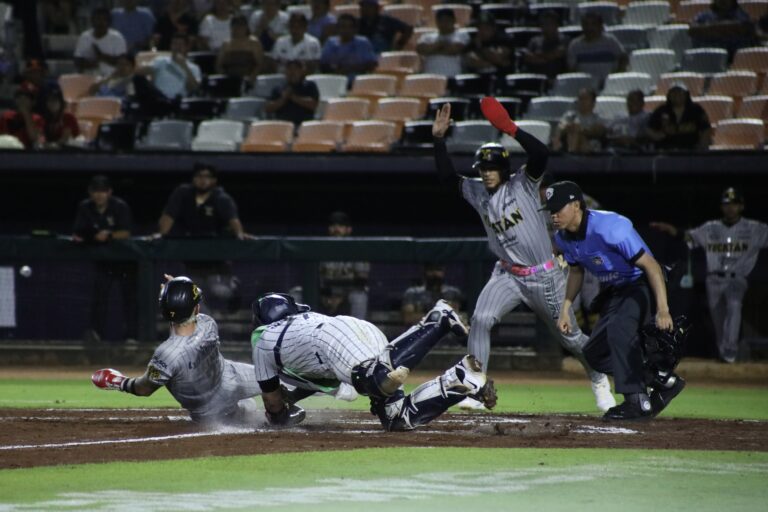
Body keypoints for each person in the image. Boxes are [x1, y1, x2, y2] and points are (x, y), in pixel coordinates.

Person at [432, 102, 616, 413]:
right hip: (507, 274)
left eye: (492, 168)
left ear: (503, 169)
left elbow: (541, 154)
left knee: (570, 338)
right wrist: (438, 140)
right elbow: (448, 180)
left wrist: (511, 129)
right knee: (481, 319)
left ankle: (598, 376)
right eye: (483, 169)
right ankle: (476, 387)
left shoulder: (523, 184)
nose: (486, 174)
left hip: (544, 275)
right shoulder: (478, 192)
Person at [544, 180, 685, 420]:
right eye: (550, 210)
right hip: (617, 290)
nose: (553, 215)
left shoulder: (610, 226)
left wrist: (663, 309)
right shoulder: (563, 238)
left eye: (558, 208)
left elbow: (651, 266)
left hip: (643, 283)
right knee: (594, 353)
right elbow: (576, 272)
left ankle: (636, 401)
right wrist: (566, 308)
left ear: (576, 205)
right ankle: (663, 381)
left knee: (620, 330)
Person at [250, 293, 496, 430]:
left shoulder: (262, 339)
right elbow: (323, 379)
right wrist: (293, 397)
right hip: (355, 330)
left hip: (334, 339)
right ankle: (459, 379)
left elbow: (272, 403)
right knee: (396, 418)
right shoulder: (302, 322)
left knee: (374, 379)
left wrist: (279, 417)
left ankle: (437, 320)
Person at [92, 276, 266, 425]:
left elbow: (144, 388)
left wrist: (118, 381)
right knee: (273, 382)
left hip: (210, 408)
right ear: (196, 308)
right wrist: (177, 291)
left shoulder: (166, 354)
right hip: (231, 379)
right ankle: (273, 412)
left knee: (246, 416)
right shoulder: (208, 323)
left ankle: (252, 412)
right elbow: (187, 313)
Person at [650, 187, 768, 363]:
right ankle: (725, 357)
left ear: (741, 206)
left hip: (737, 278)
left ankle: (730, 351)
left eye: (734, 204)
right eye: (726, 204)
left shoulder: (755, 228)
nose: (730, 207)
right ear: (721, 207)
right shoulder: (710, 228)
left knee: (734, 306)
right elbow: (687, 237)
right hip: (713, 280)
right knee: (718, 320)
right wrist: (670, 229)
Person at [72, 175, 135, 343]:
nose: (99, 195)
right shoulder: (85, 207)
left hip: (125, 261)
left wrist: (109, 235)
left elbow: (126, 232)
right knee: (100, 298)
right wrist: (93, 236)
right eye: (96, 191)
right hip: (103, 261)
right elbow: (78, 232)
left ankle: (132, 335)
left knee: (129, 299)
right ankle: (96, 334)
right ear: (90, 192)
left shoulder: (119, 206)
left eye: (103, 191)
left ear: (109, 192)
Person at [158, 162, 244, 238]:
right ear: (193, 179)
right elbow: (169, 215)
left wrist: (240, 234)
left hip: (212, 242)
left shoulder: (222, 198)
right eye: (199, 176)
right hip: (184, 241)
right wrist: (161, 235)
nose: (203, 180)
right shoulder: (181, 193)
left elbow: (233, 220)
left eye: (207, 177)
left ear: (214, 180)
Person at [316, 211, 370, 319]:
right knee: (297, 293)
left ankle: (357, 328)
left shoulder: (358, 250)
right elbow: (314, 279)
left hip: (348, 293)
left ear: (348, 230)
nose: (336, 229)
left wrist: (340, 296)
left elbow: (361, 281)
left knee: (359, 297)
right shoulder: (321, 248)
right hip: (326, 293)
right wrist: (325, 295)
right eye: (333, 225)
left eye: (340, 226)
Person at [133, 33, 201, 116]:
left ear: (187, 47)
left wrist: (184, 66)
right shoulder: (161, 61)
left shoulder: (193, 68)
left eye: (180, 44)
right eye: (174, 44)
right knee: (138, 79)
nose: (177, 47)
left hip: (177, 101)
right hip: (158, 99)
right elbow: (141, 71)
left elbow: (194, 89)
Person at [647, 82, 711, 151]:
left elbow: (706, 128)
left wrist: (702, 146)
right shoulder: (661, 110)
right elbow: (649, 128)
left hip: (691, 150)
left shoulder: (696, 110)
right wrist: (658, 136)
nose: (677, 95)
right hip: (666, 150)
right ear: (669, 95)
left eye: (680, 92)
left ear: (686, 95)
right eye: (674, 93)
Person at [567, 12, 625, 86]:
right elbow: (572, 70)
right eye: (586, 24)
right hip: (585, 86)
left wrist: (615, 77)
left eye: (593, 24)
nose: (589, 28)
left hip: (610, 85)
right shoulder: (575, 45)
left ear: (600, 26)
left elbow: (623, 59)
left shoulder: (611, 41)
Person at [320, 14, 378, 82]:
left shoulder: (363, 42)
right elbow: (323, 64)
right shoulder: (330, 42)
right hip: (335, 80)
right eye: (343, 26)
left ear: (355, 29)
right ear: (337, 29)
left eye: (350, 27)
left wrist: (350, 68)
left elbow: (371, 64)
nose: (346, 30)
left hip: (358, 81)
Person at [689, 0, 756, 58]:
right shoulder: (703, 17)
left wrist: (711, 29)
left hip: (736, 60)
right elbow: (692, 31)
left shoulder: (743, 16)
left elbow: (747, 28)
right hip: (707, 59)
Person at [74, 8, 128, 77]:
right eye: (98, 19)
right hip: (88, 77)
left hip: (112, 78)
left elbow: (122, 62)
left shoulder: (117, 38)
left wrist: (102, 56)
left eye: (104, 19)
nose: (100, 22)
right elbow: (77, 61)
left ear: (109, 22)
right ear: (92, 21)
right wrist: (92, 64)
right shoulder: (84, 37)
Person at [552, 87, 607, 154]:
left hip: (590, 147)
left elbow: (599, 131)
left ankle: (572, 154)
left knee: (578, 132)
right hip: (569, 141)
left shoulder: (598, 118)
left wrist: (581, 130)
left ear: (593, 102)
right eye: (580, 99)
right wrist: (570, 127)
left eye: (585, 99)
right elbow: (561, 127)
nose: (582, 102)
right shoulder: (570, 116)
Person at [416, 8, 469, 78]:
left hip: (452, 76)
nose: (444, 24)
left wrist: (431, 50)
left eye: (447, 20)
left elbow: (454, 50)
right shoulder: (427, 36)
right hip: (430, 77)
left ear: (454, 20)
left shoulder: (461, 35)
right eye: (441, 21)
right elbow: (420, 49)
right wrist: (440, 44)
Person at [264, 59, 319, 126]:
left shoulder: (309, 86)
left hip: (303, 125)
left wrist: (293, 97)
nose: (292, 72)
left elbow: (313, 105)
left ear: (302, 71)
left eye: (295, 69)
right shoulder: (279, 88)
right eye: (289, 69)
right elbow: (268, 108)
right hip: (283, 125)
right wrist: (283, 99)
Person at [521, 10, 570, 83]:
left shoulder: (565, 40)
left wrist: (538, 57)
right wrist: (548, 57)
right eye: (543, 24)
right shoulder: (534, 41)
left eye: (549, 24)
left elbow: (557, 54)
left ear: (556, 25)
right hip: (537, 80)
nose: (546, 27)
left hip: (559, 80)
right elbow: (528, 58)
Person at [462, 13, 513, 81]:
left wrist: (480, 47)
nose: (482, 31)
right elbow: (471, 60)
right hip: (478, 80)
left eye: (486, 28)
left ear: (494, 28)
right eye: (480, 28)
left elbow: (497, 58)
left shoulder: (503, 39)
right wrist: (493, 64)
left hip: (502, 79)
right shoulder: (473, 42)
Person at [216, 14, 264, 84]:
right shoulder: (226, 44)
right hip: (229, 80)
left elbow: (259, 64)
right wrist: (225, 78)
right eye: (234, 27)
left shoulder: (254, 43)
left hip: (249, 80)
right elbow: (219, 65)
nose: (237, 29)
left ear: (246, 27)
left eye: (240, 26)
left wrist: (252, 78)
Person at [0, 85, 44, 149]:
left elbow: (35, 138)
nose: (22, 100)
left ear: (33, 102)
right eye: (19, 97)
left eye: (26, 98)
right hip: (6, 151)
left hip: (27, 152)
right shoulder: (6, 116)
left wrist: (26, 113)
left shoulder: (37, 119)